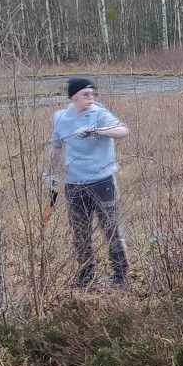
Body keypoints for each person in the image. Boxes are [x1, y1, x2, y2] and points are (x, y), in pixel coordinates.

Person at [45, 77, 131, 289]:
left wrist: (96, 131)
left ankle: (120, 275)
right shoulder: (60, 118)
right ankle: (86, 273)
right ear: (73, 96)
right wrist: (50, 173)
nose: (91, 98)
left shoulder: (99, 114)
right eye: (86, 94)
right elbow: (56, 147)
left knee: (111, 229)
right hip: (74, 185)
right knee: (80, 232)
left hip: (103, 182)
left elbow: (123, 131)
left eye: (93, 94)